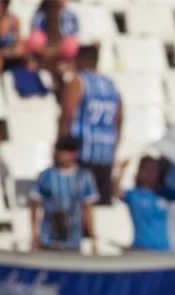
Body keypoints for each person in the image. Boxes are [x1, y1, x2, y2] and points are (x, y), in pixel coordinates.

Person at [59, 44, 120, 205]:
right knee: (102, 208)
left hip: (82, 153)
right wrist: (113, 147)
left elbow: (67, 115)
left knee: (79, 206)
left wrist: (61, 146)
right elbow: (119, 119)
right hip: (105, 154)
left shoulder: (78, 82)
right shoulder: (111, 85)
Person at [29, 136, 97, 251]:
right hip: (48, 237)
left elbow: (87, 209)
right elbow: (35, 206)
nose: (61, 156)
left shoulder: (84, 177)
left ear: (74, 154)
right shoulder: (46, 175)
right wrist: (34, 235)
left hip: (74, 239)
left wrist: (92, 237)